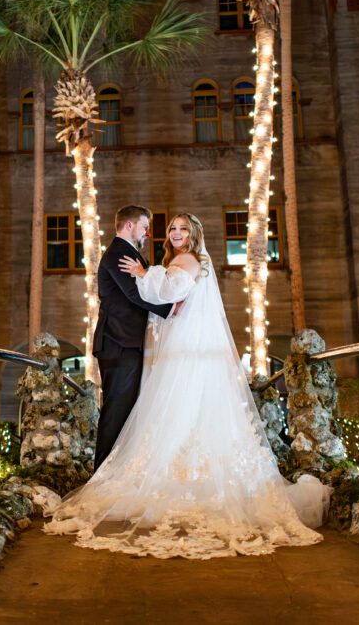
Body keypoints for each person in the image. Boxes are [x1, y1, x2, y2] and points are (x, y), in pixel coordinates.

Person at [44, 213, 327, 559]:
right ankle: (105, 471)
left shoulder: (191, 260)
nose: (174, 233)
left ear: (194, 234)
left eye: (182, 229)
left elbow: (166, 292)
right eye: (171, 229)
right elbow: (148, 296)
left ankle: (148, 474)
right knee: (134, 408)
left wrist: (146, 275)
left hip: (182, 348)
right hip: (135, 344)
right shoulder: (136, 255)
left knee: (171, 406)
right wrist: (149, 279)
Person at [91, 205, 173, 470]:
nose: (148, 233)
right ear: (129, 225)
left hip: (128, 344)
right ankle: (101, 473)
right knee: (116, 409)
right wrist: (171, 310)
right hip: (117, 343)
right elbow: (134, 294)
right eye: (144, 226)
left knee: (126, 410)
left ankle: (115, 472)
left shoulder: (130, 254)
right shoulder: (118, 253)